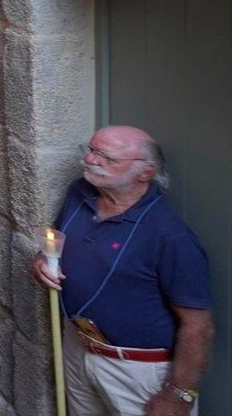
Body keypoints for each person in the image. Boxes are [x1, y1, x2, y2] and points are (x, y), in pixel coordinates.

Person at [30, 126, 212, 416]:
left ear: (145, 172)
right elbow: (57, 240)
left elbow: (198, 325)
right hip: (78, 347)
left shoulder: (171, 237)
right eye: (91, 150)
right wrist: (43, 259)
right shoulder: (79, 193)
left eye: (107, 158)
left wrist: (178, 394)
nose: (90, 160)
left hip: (137, 370)